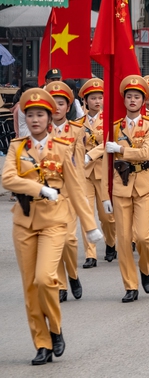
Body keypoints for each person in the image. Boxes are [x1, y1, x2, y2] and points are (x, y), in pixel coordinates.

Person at [3, 88, 102, 365]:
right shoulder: (17, 147)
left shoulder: (62, 147)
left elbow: (76, 187)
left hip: (54, 221)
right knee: (29, 287)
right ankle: (41, 343)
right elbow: (8, 178)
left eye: (40, 115)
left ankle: (55, 329)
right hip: (24, 221)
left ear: (49, 118)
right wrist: (37, 188)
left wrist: (90, 224)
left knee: (45, 279)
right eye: (30, 115)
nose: (35, 120)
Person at [103, 76, 149, 303]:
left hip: (144, 184)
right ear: (124, 100)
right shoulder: (114, 127)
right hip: (121, 187)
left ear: (144, 100)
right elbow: (105, 158)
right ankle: (130, 285)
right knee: (124, 240)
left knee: (144, 237)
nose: (133, 100)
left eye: (137, 96)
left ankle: (145, 268)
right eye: (129, 96)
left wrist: (121, 149)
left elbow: (147, 152)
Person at [43, 82, 87, 303]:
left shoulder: (77, 131)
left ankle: (73, 274)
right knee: (55, 241)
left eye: (61, 103)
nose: (57, 108)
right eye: (53, 104)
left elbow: (78, 164)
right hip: (47, 193)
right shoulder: (39, 131)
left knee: (69, 240)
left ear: (68, 105)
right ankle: (60, 284)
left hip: (69, 192)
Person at [78, 79, 117, 268]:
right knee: (87, 214)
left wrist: (89, 155)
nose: (97, 101)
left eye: (100, 98)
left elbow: (106, 144)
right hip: (84, 174)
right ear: (85, 101)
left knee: (107, 217)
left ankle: (111, 243)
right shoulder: (78, 123)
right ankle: (90, 255)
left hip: (103, 172)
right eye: (93, 98)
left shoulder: (109, 121)